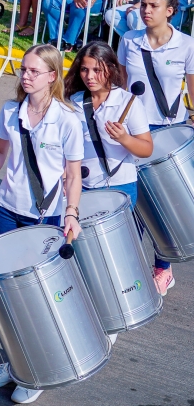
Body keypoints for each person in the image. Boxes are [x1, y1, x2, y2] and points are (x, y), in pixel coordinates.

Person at [0, 44, 84, 405]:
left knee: (35, 297)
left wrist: (71, 212)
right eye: (23, 69)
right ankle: (13, 363)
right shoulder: (11, 111)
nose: (26, 76)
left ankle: (36, 371)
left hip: (45, 217)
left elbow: (72, 174)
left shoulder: (67, 120)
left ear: (52, 76)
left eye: (34, 71)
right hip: (7, 209)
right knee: (6, 293)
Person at [118, 0, 194, 296]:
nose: (146, 11)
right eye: (143, 5)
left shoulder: (186, 45)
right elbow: (121, 85)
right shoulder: (129, 39)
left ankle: (163, 267)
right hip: (134, 131)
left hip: (167, 131)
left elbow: (193, 89)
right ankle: (130, 268)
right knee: (132, 202)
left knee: (163, 204)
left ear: (170, 11)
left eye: (153, 6)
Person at [64, 43, 154, 258]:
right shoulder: (73, 103)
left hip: (120, 186)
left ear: (111, 69)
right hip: (83, 186)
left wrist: (124, 139)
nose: (89, 76)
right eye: (84, 69)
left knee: (116, 251)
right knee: (86, 252)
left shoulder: (128, 102)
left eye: (97, 70)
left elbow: (147, 148)